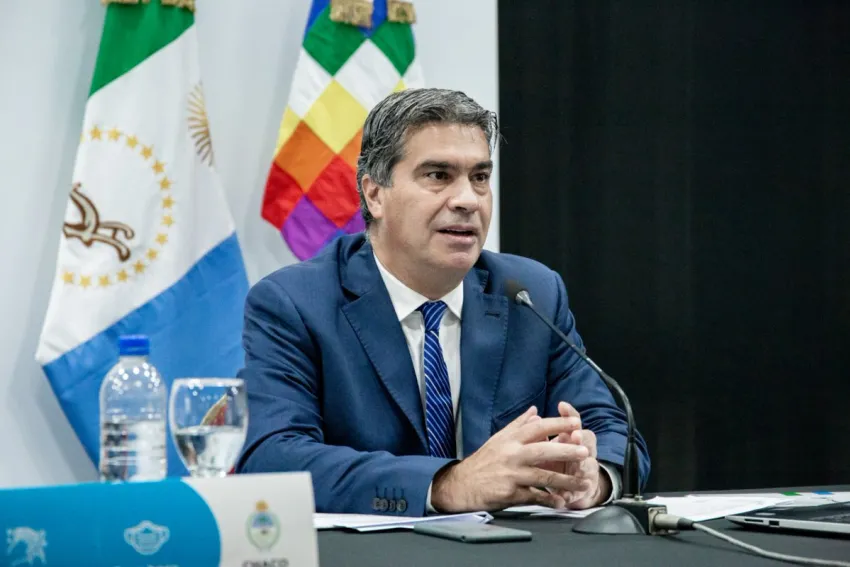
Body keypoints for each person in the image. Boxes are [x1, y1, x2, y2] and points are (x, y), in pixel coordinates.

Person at [235, 88, 650, 516]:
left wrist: (593, 476)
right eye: (438, 175)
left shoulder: (530, 294)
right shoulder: (295, 304)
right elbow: (271, 457)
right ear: (375, 194)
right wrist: (446, 484)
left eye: (480, 178)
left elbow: (615, 431)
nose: (468, 200)